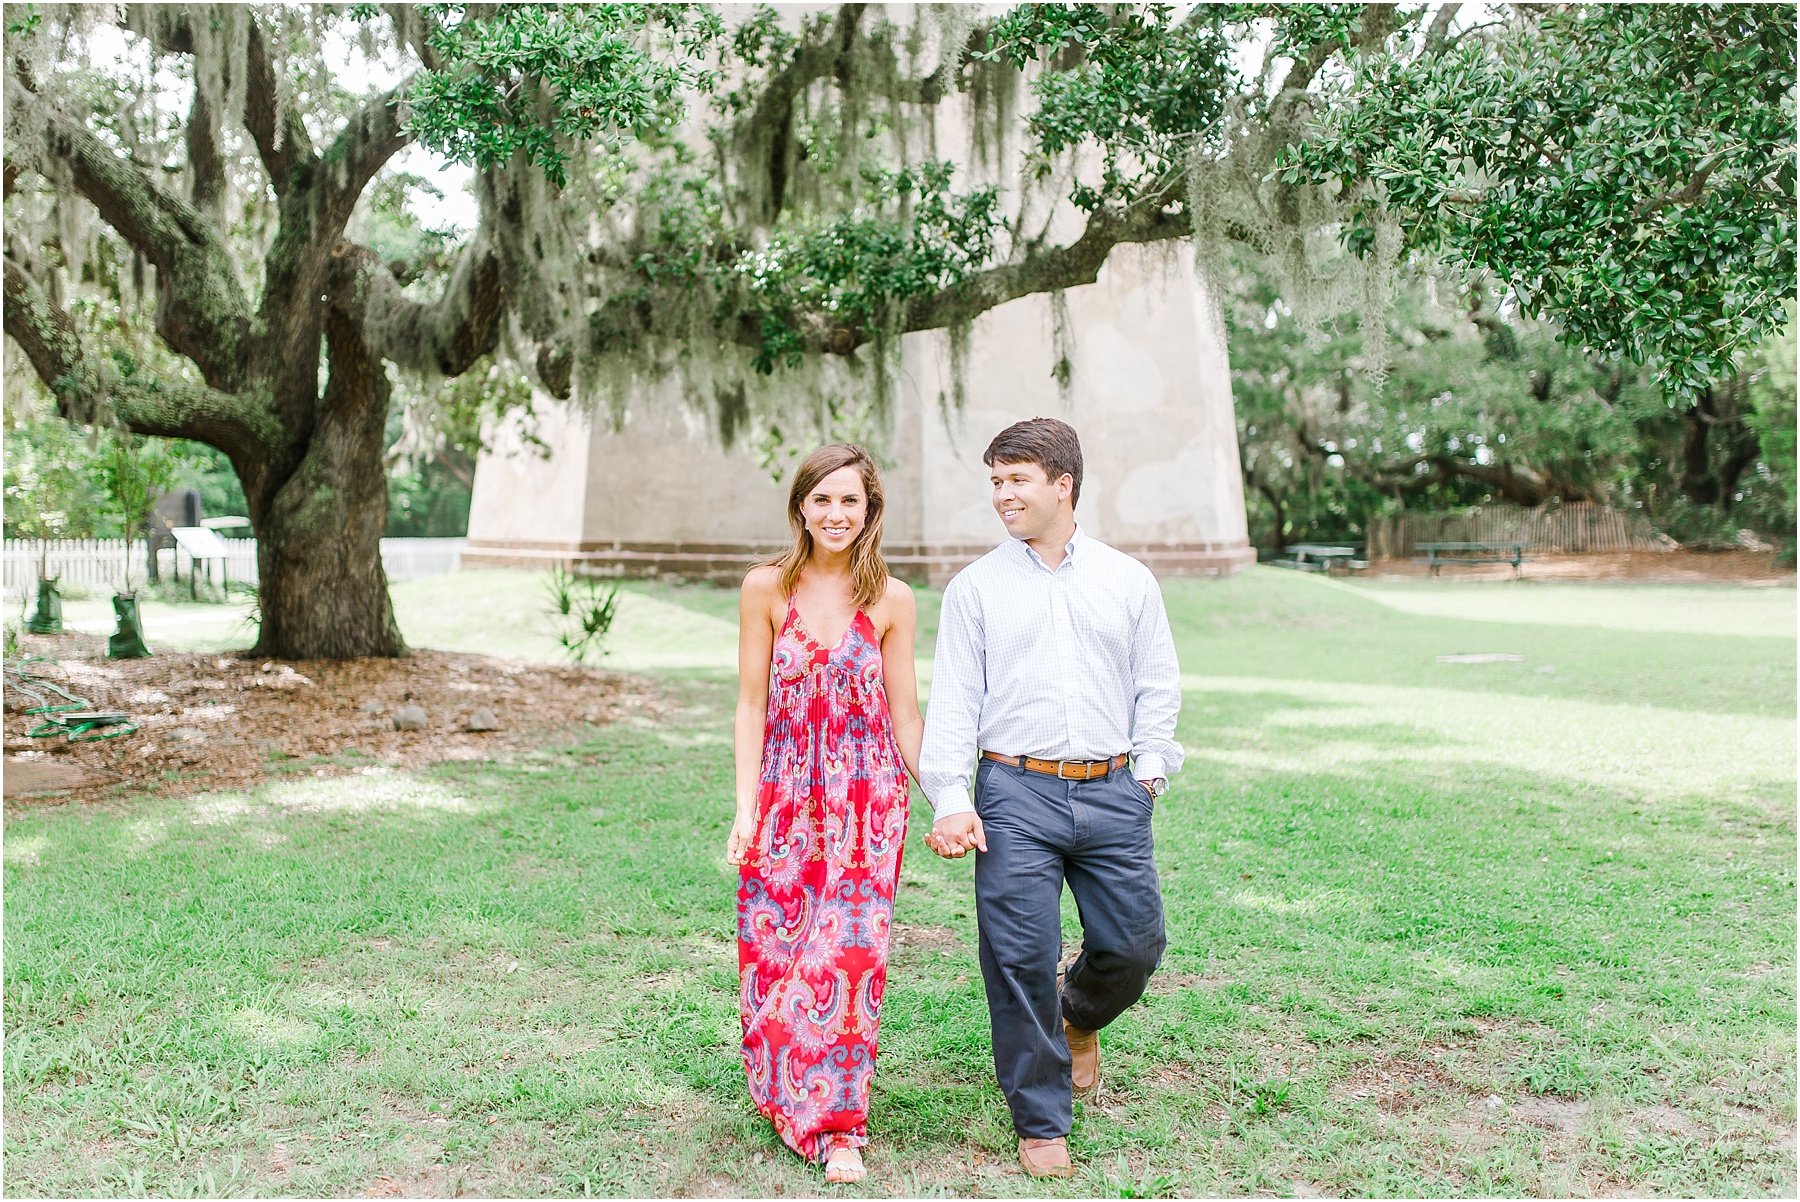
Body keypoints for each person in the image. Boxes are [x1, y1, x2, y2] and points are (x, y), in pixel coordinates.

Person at [918, 417, 1183, 1179]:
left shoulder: (1128, 579)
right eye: (996, 481)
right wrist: (950, 797)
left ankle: (1079, 1017)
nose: (1002, 495)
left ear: (1062, 485)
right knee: (1018, 957)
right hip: (1014, 792)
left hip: (1112, 792)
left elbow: (1156, 680)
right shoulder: (976, 589)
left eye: (1017, 480)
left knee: (1135, 947)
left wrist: (1150, 769)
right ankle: (1040, 1120)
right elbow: (956, 701)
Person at [728, 443, 924, 1185]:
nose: (837, 514)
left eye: (851, 501)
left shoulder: (892, 599)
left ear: (870, 510)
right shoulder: (765, 588)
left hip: (869, 804)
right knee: (777, 957)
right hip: (784, 798)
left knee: (847, 961)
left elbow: (905, 716)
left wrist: (952, 800)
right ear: (800, 507)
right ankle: (784, 1089)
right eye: (823, 500)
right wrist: (745, 809)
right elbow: (750, 704)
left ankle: (840, 1126)